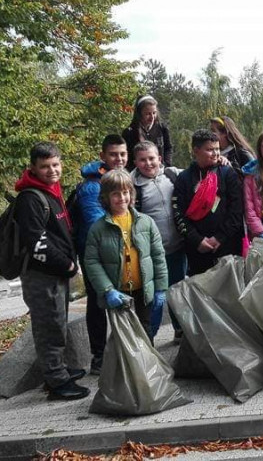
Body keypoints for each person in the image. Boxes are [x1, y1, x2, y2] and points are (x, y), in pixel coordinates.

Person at [14, 142, 89, 400]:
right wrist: (67, 265)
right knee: (49, 327)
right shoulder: (30, 198)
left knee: (58, 322)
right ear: (33, 168)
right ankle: (56, 383)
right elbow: (37, 241)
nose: (52, 170)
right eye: (45, 166)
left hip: (56, 273)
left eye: (55, 164)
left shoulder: (51, 192)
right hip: (41, 274)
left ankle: (59, 371)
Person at [84, 169, 168, 344]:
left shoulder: (146, 222)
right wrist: (107, 290)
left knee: (145, 331)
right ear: (106, 197)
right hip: (118, 292)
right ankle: (127, 371)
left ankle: (148, 369)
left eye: (126, 192)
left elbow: (158, 255)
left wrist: (160, 287)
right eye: (116, 194)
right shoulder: (98, 229)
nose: (122, 198)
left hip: (144, 290)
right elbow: (92, 262)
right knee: (123, 336)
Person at [72, 134, 128, 375]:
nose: (119, 159)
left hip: (120, 254)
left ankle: (124, 352)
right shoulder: (91, 187)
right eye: (114, 154)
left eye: (123, 154)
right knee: (98, 306)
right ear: (103, 155)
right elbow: (101, 224)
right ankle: (98, 357)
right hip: (94, 255)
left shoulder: (121, 179)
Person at [131, 141, 186, 343]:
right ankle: (148, 338)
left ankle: (180, 329)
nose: (148, 163)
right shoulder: (132, 186)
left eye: (152, 158)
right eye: (143, 160)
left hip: (177, 248)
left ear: (160, 159)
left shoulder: (173, 175)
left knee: (177, 292)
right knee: (153, 299)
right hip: (151, 254)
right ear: (135, 162)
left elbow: (200, 172)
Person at [173, 129, 244, 275]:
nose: (216, 153)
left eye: (218, 149)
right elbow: (178, 213)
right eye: (210, 149)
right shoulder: (183, 179)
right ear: (196, 150)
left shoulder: (227, 173)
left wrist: (219, 238)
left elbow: (236, 210)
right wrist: (196, 240)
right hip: (197, 249)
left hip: (227, 246)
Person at [123, 95, 172, 170]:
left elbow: (168, 148)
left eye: (154, 113)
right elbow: (127, 155)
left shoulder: (162, 129)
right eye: (148, 114)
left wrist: (166, 165)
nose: (152, 117)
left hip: (160, 170)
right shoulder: (129, 133)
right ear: (139, 114)